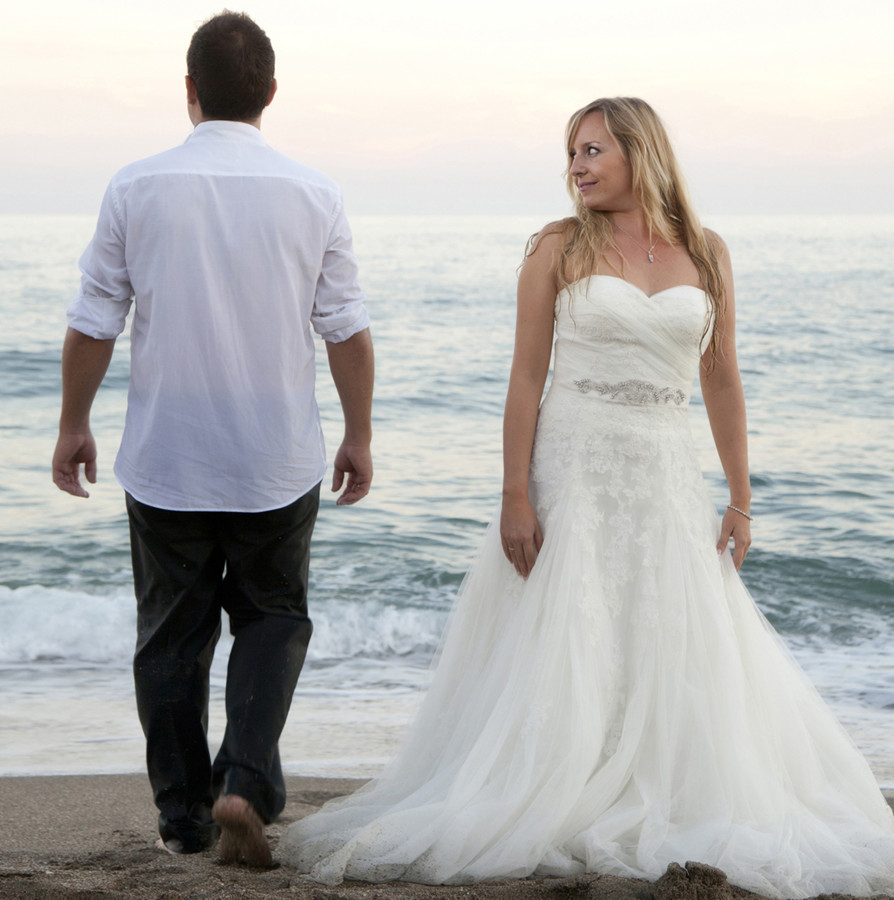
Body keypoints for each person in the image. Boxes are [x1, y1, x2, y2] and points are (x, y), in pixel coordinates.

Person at [279, 98, 894, 898]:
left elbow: (720, 376)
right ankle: (555, 784)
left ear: (641, 153)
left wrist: (741, 497)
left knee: (664, 626)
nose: (576, 165)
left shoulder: (707, 253)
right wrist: (514, 494)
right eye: (571, 152)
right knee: (573, 628)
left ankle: (656, 785)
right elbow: (526, 376)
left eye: (593, 149)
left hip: (667, 470)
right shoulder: (558, 248)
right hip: (573, 466)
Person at [52, 12, 374, 868]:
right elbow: (345, 330)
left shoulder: (136, 186)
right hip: (275, 459)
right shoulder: (314, 192)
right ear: (270, 92)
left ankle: (186, 819)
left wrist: (73, 424)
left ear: (190, 92)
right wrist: (359, 434)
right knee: (271, 620)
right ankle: (245, 782)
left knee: (171, 637)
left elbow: (93, 322)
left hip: (169, 460)